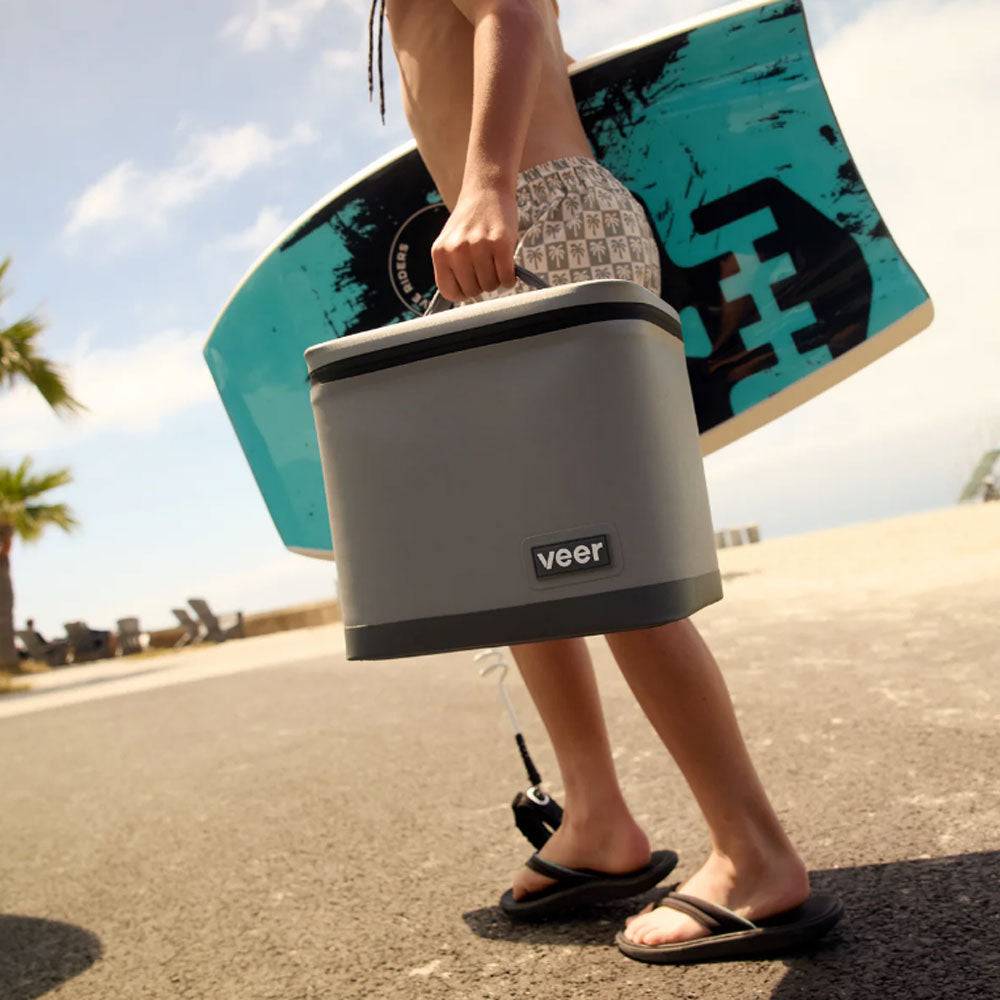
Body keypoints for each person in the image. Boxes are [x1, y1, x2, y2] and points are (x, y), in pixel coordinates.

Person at [371, 0, 842, 962]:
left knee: (610, 559)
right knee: (518, 561)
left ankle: (754, 857)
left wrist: (490, 184)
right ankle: (594, 819)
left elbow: (504, 7)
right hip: (537, 221)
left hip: (535, 221)